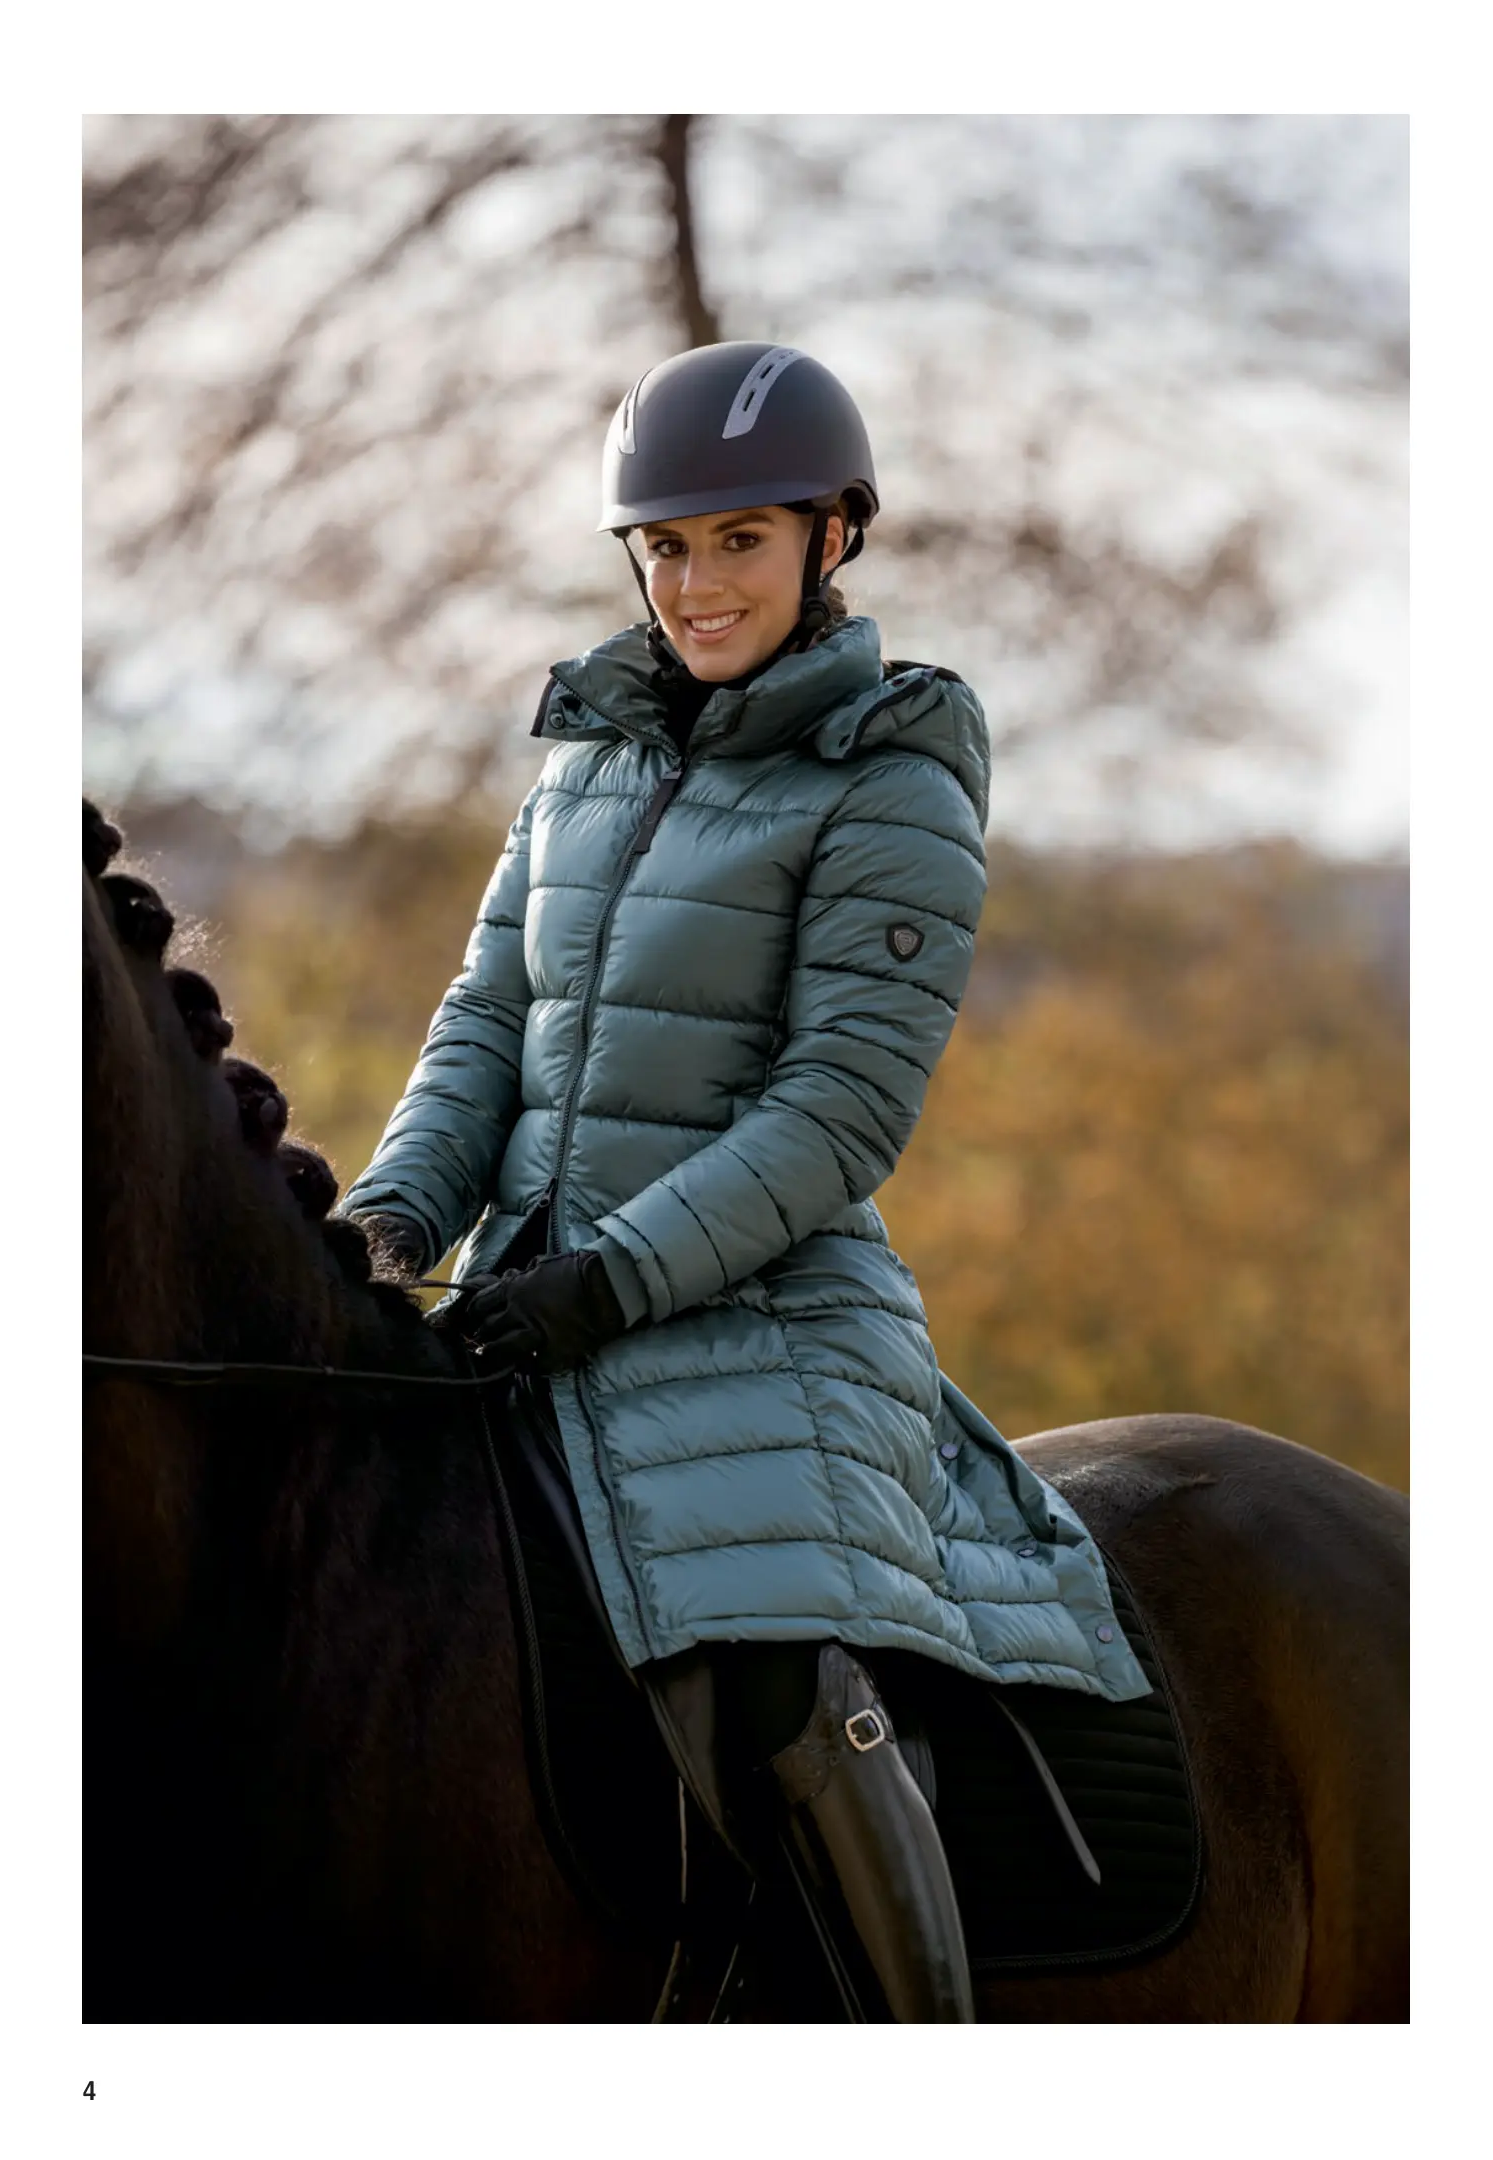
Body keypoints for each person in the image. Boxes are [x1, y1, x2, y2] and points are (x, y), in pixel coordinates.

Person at [344, 341, 1148, 2021]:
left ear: (830, 539)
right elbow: (485, 1022)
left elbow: (839, 1113)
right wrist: (390, 1220)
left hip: (763, 1315)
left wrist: (614, 1277)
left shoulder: (891, 778)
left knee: (773, 1666)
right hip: (524, 1301)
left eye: (739, 542)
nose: (696, 585)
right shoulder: (582, 764)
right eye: (665, 547)